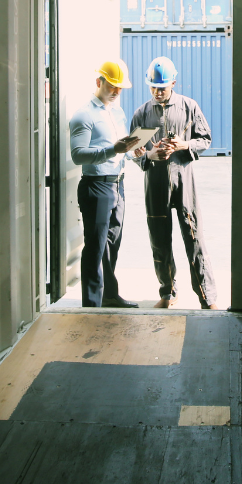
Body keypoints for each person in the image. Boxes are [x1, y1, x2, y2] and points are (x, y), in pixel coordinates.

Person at [129, 57, 219, 310]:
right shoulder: (141, 114)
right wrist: (149, 155)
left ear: (174, 84)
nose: (158, 92)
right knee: (159, 240)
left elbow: (206, 139)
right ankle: (168, 293)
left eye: (163, 88)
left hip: (184, 181)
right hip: (155, 184)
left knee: (194, 238)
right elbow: (133, 151)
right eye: (154, 87)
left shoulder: (189, 107)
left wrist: (184, 144)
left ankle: (207, 297)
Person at [68, 59, 144, 308]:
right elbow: (78, 155)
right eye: (112, 86)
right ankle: (91, 305)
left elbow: (122, 148)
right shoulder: (83, 115)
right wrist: (112, 150)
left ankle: (110, 295)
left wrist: (135, 152)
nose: (116, 92)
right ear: (98, 82)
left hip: (117, 185)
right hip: (96, 186)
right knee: (95, 247)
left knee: (111, 245)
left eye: (120, 88)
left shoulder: (118, 113)